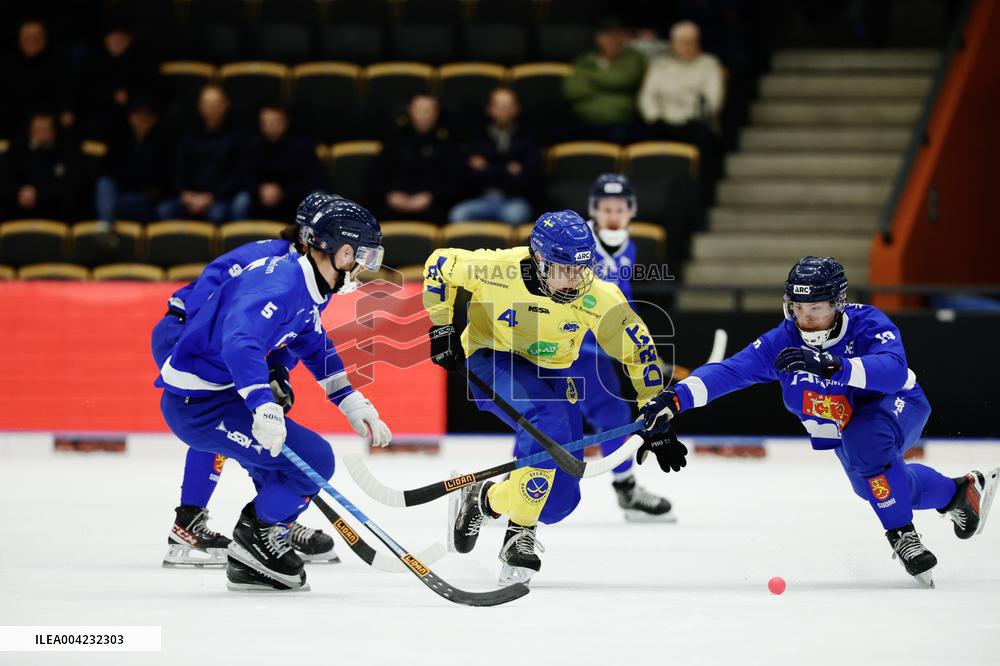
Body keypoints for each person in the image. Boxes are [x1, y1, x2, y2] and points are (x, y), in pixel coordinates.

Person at [637, 256, 999, 586]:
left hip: (897, 403)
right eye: (797, 308)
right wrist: (674, 399)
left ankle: (903, 536)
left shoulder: (868, 323)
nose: (805, 318)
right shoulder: (782, 340)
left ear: (838, 303)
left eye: (815, 308)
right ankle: (958, 493)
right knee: (874, 486)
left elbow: (893, 371)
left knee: (868, 447)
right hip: (845, 424)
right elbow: (731, 371)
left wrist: (835, 366)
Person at [157, 197, 392, 591]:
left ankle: (266, 530)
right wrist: (262, 403)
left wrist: (350, 400)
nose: (364, 267)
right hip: (198, 403)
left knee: (290, 460)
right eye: (364, 256)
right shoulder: (281, 284)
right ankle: (255, 537)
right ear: (341, 250)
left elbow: (313, 344)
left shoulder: (305, 282)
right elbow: (240, 343)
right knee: (314, 459)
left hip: (217, 393)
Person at [425, 209, 666, 586]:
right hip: (492, 358)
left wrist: (656, 408)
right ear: (538, 259)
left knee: (558, 503)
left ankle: (484, 498)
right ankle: (519, 536)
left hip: (552, 372)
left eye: (581, 269)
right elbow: (439, 264)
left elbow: (641, 352)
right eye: (564, 269)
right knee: (548, 421)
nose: (575, 280)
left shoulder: (599, 295)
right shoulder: (496, 269)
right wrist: (441, 326)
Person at [576, 174, 674, 520]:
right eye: (606, 209)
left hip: (593, 355)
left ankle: (626, 488)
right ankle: (510, 490)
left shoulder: (628, 246)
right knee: (548, 419)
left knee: (613, 416)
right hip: (562, 348)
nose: (613, 216)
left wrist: (640, 348)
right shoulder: (577, 242)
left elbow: (623, 302)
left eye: (620, 209)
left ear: (631, 211)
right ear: (594, 210)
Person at [638, 20, 724, 203]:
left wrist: (694, 118)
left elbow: (713, 100)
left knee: (705, 141)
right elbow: (647, 97)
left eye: (691, 41)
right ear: (672, 43)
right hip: (662, 123)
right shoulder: (660, 65)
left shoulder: (709, 64)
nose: (687, 46)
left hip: (694, 124)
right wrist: (655, 118)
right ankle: (652, 199)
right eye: (682, 42)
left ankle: (699, 201)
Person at [157, 84, 247, 225]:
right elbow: (177, 168)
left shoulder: (236, 136)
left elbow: (237, 175)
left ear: (226, 105)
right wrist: (184, 193)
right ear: (200, 107)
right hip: (190, 196)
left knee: (218, 213)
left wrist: (211, 196)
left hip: (219, 197)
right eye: (207, 104)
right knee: (164, 210)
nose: (211, 108)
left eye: (216, 104)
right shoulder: (188, 134)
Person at [448, 87, 539, 226]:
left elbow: (528, 177)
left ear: (516, 109)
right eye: (498, 106)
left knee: (514, 216)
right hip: (481, 198)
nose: (503, 110)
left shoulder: (528, 137)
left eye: (507, 106)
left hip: (514, 199)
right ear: (489, 109)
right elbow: (470, 175)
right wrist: (507, 169)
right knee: (458, 215)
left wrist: (488, 167)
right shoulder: (477, 135)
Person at [367, 93, 460, 224]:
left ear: (436, 113)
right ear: (410, 111)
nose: (423, 115)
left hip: (433, 206)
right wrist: (389, 195)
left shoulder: (446, 142)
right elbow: (375, 176)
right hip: (394, 203)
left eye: (427, 111)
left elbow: (455, 180)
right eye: (418, 110)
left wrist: (431, 196)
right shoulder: (395, 139)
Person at [232, 102, 324, 221]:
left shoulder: (302, 144)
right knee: (241, 201)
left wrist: (283, 193)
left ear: (286, 122)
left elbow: (313, 178)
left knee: (318, 197)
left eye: (275, 121)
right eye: (266, 122)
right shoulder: (251, 144)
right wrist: (259, 190)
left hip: (294, 196)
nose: (270, 125)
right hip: (260, 197)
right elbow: (244, 176)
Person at [561, 19, 647, 144]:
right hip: (584, 120)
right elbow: (571, 90)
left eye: (616, 35)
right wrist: (609, 87)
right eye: (607, 36)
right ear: (598, 38)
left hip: (619, 122)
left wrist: (589, 78)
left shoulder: (633, 57)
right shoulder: (585, 59)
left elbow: (621, 80)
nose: (612, 40)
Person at [95, 98, 169, 225]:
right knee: (104, 185)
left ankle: (107, 221)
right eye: (139, 116)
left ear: (154, 119)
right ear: (131, 118)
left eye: (147, 116)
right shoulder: (119, 139)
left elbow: (158, 181)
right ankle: (105, 226)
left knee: (116, 203)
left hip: (143, 199)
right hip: (118, 192)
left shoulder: (162, 144)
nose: (142, 120)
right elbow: (106, 170)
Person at [1, 19, 76, 137]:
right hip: (12, 121)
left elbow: (66, 95)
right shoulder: (6, 64)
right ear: (19, 39)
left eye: (37, 37)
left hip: (48, 121)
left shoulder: (59, 64)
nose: (32, 41)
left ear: (45, 39)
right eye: (28, 37)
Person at [2, 110, 81, 221]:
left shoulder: (67, 148)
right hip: (20, 200)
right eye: (38, 128)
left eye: (46, 129)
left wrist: (38, 193)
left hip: (53, 202)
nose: (42, 132)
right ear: (30, 130)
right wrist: (19, 191)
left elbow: (71, 181)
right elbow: (5, 177)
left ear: (54, 131)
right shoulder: (17, 147)